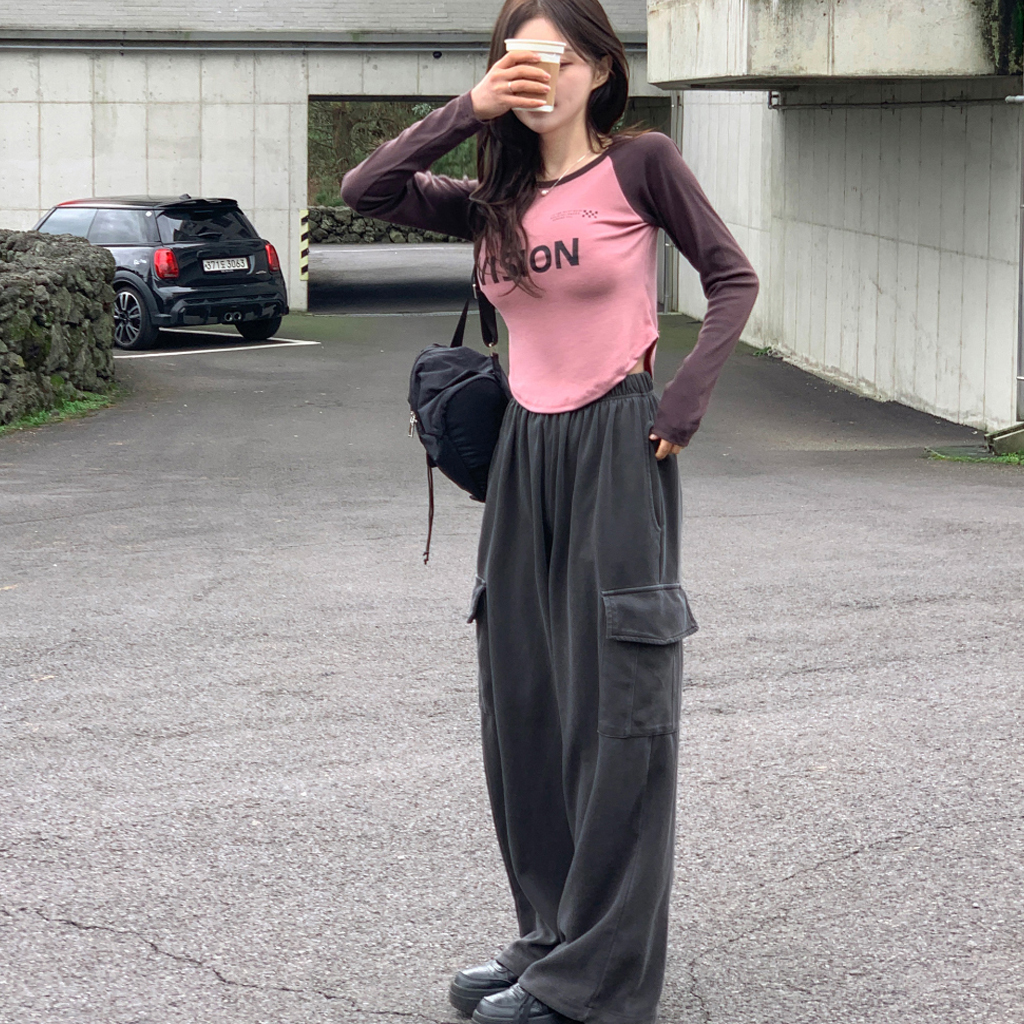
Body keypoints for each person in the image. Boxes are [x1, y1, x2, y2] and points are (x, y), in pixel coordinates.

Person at [342, 1, 758, 1021]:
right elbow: (367, 189)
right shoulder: (493, 201)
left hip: (618, 440)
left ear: (600, 69)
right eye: (519, 60)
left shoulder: (643, 163)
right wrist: (471, 108)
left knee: (618, 706)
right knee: (523, 702)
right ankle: (550, 937)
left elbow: (731, 277)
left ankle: (600, 979)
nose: (541, 76)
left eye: (559, 58)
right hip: (523, 450)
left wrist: (679, 406)